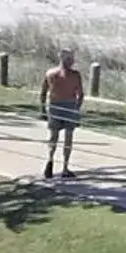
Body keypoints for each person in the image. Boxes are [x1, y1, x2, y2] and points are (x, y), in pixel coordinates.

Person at [40, 48, 86, 178]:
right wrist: (77, 108)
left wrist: (43, 109)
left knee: (53, 136)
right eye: (70, 58)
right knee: (68, 137)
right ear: (66, 59)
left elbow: (43, 93)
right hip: (69, 106)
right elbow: (80, 94)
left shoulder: (50, 73)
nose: (72, 61)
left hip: (54, 105)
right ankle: (65, 167)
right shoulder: (75, 75)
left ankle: (50, 160)